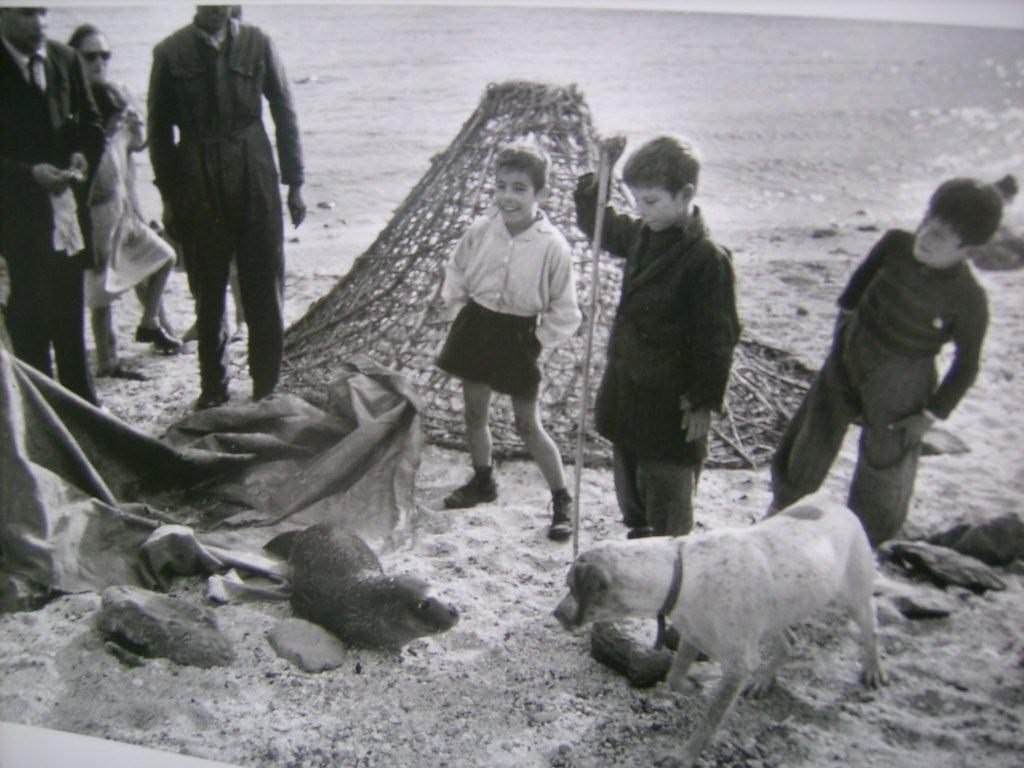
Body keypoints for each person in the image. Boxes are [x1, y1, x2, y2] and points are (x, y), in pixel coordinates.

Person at [767, 177, 1005, 547]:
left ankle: (863, 540)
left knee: (886, 460)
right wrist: (843, 331)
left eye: (940, 235)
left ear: (968, 250)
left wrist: (930, 416)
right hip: (853, 348)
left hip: (904, 377)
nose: (925, 236)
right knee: (815, 430)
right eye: (926, 221)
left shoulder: (969, 298)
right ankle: (782, 508)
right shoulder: (895, 244)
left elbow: (967, 365)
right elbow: (855, 288)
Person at [574, 135, 740, 539]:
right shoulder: (644, 233)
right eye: (636, 200)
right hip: (629, 389)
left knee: (668, 491)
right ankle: (640, 532)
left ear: (685, 194)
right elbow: (599, 225)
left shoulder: (707, 259)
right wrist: (603, 174)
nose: (640, 210)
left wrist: (703, 401)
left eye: (650, 200)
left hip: (672, 403)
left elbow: (718, 339)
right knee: (630, 485)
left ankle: (668, 549)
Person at [147, 5, 306, 410]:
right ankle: (213, 388)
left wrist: (295, 184)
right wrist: (169, 196)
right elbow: (158, 132)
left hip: (255, 176)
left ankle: (266, 385)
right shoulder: (169, 52)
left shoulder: (258, 43)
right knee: (208, 289)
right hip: (197, 182)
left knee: (264, 286)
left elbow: (285, 112)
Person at [437, 142, 582, 541]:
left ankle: (562, 498)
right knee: (474, 415)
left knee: (527, 424)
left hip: (520, 335)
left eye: (519, 188)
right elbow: (457, 269)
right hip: (476, 326)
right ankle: (483, 481)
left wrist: (538, 339)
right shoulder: (482, 230)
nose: (507, 197)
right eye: (501, 186)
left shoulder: (553, 246)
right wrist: (458, 306)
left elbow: (565, 307)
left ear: (541, 194)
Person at [0, 7, 105, 404]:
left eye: (43, 12)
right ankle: (43, 417)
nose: (40, 22)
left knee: (69, 318)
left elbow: (92, 124)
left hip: (65, 216)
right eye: (27, 13)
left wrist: (81, 154)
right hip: (14, 221)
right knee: (28, 326)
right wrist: (29, 174)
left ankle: (83, 408)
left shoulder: (66, 59)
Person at [68, 24, 181, 381]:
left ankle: (152, 324)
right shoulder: (69, 101)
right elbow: (83, 164)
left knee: (157, 258)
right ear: (74, 59)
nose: (99, 62)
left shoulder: (117, 92)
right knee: (102, 289)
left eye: (105, 55)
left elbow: (134, 146)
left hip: (123, 200)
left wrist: (135, 126)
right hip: (92, 209)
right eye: (90, 56)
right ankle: (109, 360)